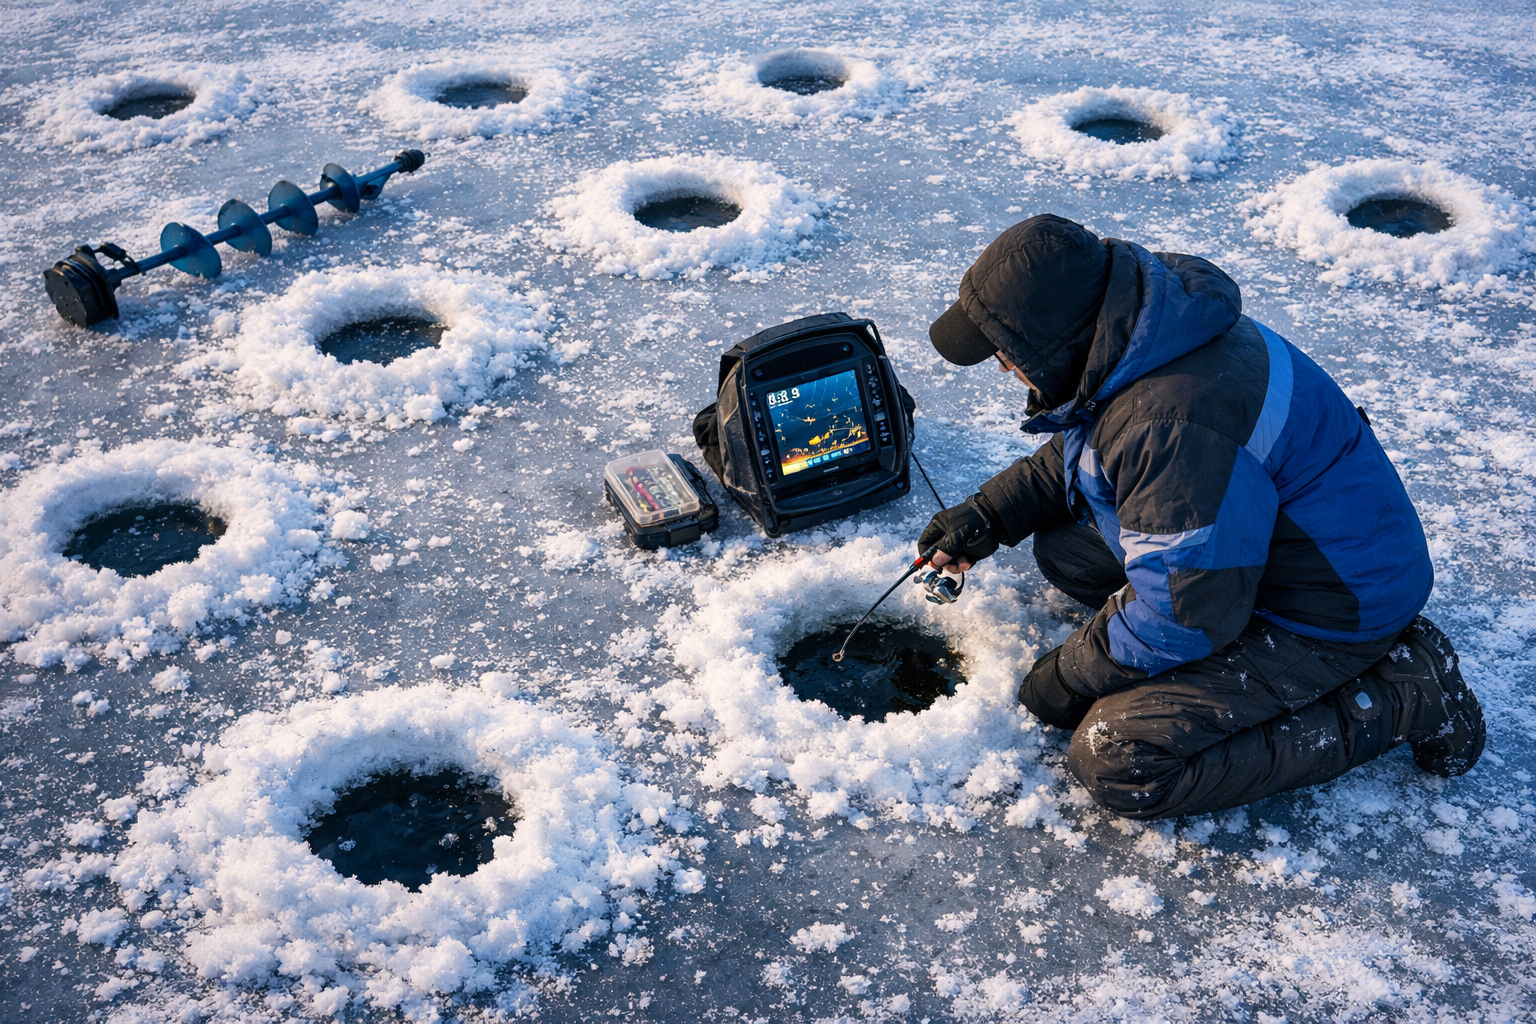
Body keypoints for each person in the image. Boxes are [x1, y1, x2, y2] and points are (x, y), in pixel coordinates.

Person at [919, 213, 1485, 820]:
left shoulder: (1170, 422)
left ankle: (1407, 689)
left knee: (1116, 757)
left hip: (1330, 606)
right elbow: (1092, 437)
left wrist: (1071, 674)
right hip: (1281, 551)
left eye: (1008, 355)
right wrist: (988, 514)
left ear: (1059, 342)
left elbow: (1189, 614)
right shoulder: (1152, 330)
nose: (1006, 371)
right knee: (1065, 550)